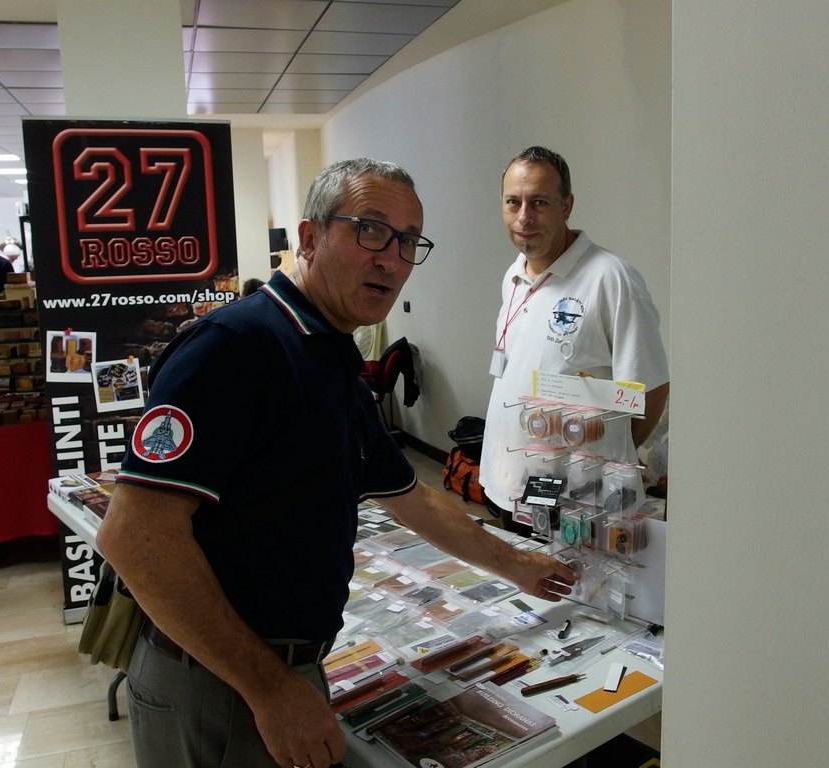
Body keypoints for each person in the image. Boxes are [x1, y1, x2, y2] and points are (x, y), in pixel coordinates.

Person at [96, 157, 578, 768]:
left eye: (408, 242)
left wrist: (520, 566)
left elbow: (412, 497)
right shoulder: (234, 348)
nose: (392, 259)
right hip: (223, 680)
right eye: (370, 230)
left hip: (281, 667)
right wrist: (270, 689)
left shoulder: (329, 353)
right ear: (309, 237)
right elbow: (135, 537)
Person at [481, 146, 670, 531]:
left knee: (562, 570)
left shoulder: (611, 279)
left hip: (575, 499)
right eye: (513, 202)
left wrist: (605, 454)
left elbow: (651, 389)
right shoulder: (514, 276)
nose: (524, 217)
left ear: (566, 206)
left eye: (539, 202)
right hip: (509, 484)